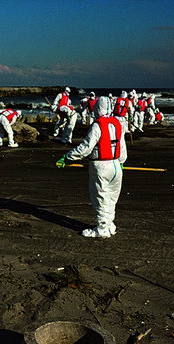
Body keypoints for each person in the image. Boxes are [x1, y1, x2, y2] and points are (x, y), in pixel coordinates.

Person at [56, 96, 127, 238]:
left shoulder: (97, 125)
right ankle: (109, 225)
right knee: (112, 198)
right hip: (116, 166)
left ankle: (101, 229)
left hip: (101, 166)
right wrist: (122, 162)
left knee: (100, 198)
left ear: (97, 108)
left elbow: (86, 147)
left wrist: (68, 157)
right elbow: (122, 145)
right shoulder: (118, 123)